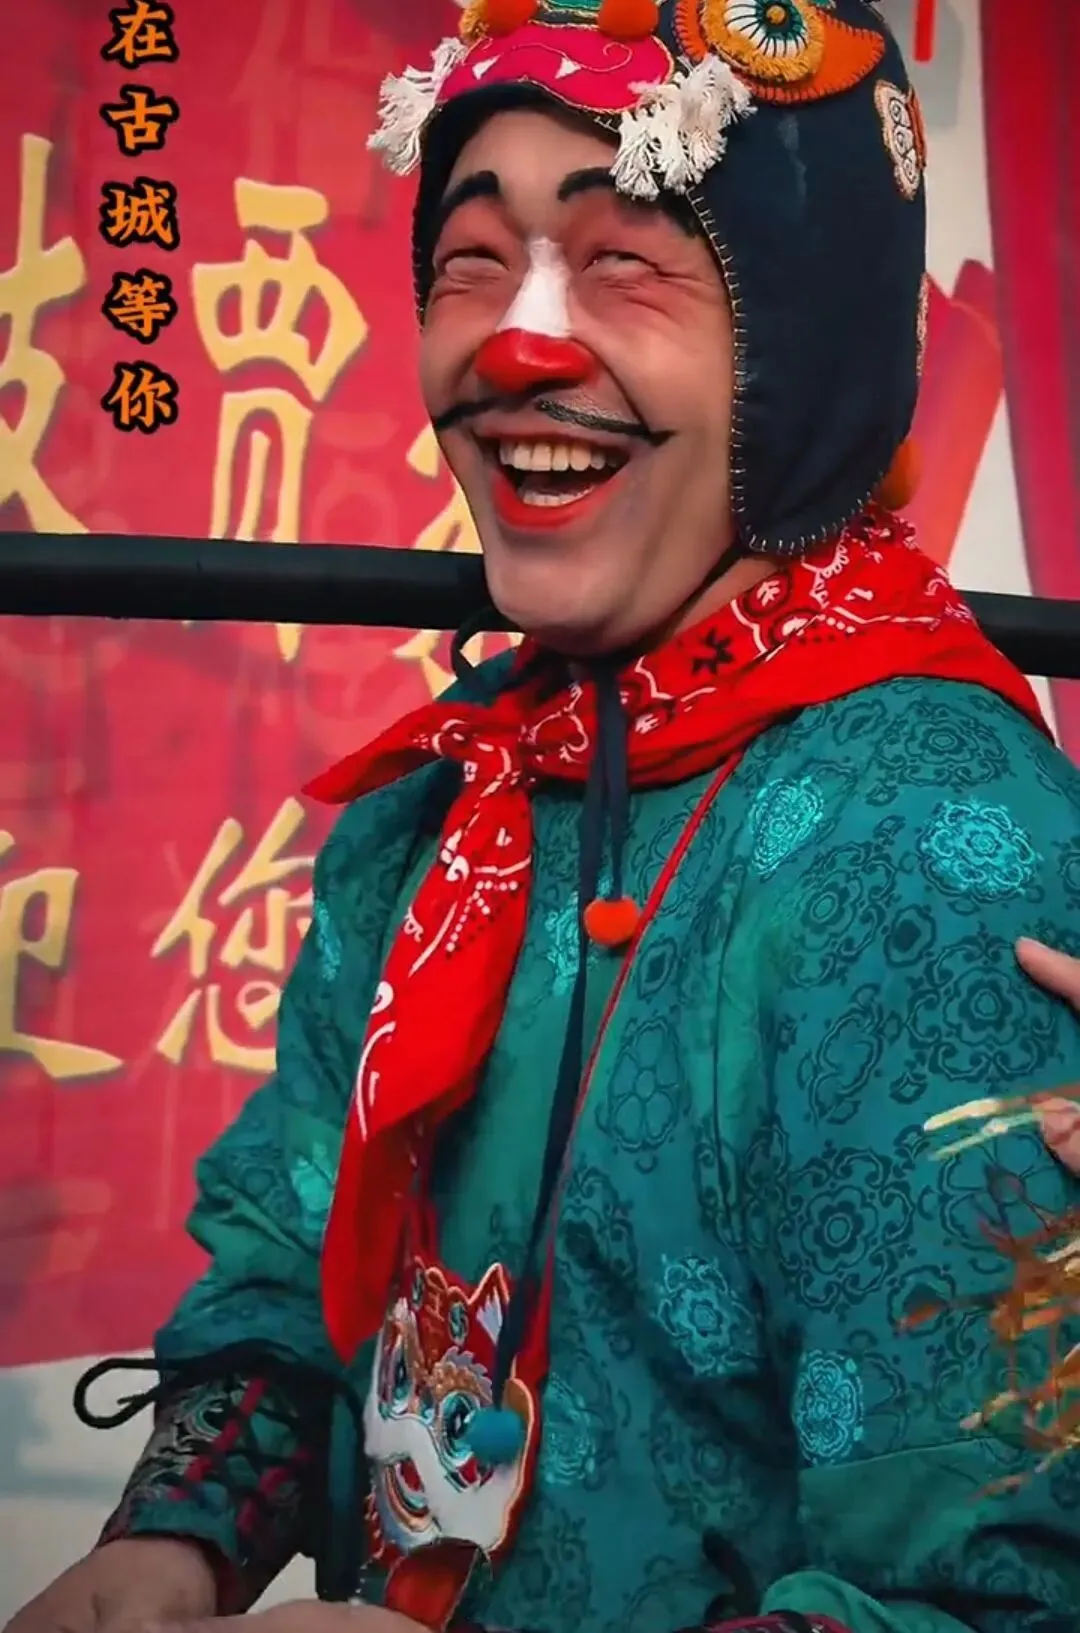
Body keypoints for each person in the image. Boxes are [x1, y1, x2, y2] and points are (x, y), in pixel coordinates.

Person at [8, 2, 1080, 1632]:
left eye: (624, 262)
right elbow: (288, 1253)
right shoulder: (450, 796)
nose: (514, 346)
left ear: (808, 340)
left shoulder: (927, 849)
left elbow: (992, 1597)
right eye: (469, 261)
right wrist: (175, 1543)